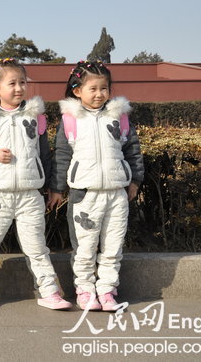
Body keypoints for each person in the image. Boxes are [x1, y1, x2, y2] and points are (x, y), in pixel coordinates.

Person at [0, 58, 72, 311]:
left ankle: (49, 291)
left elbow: (45, 156)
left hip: (30, 195)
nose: (19, 88)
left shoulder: (35, 117)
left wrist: (54, 188)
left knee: (37, 247)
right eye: (12, 83)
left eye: (23, 82)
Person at [55, 60, 144, 311]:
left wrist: (135, 180)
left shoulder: (119, 117)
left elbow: (133, 151)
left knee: (113, 246)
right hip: (84, 194)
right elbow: (62, 156)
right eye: (92, 89)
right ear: (77, 91)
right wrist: (56, 188)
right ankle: (84, 289)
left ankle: (107, 290)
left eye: (104, 88)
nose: (99, 94)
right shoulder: (70, 120)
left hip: (117, 194)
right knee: (85, 246)